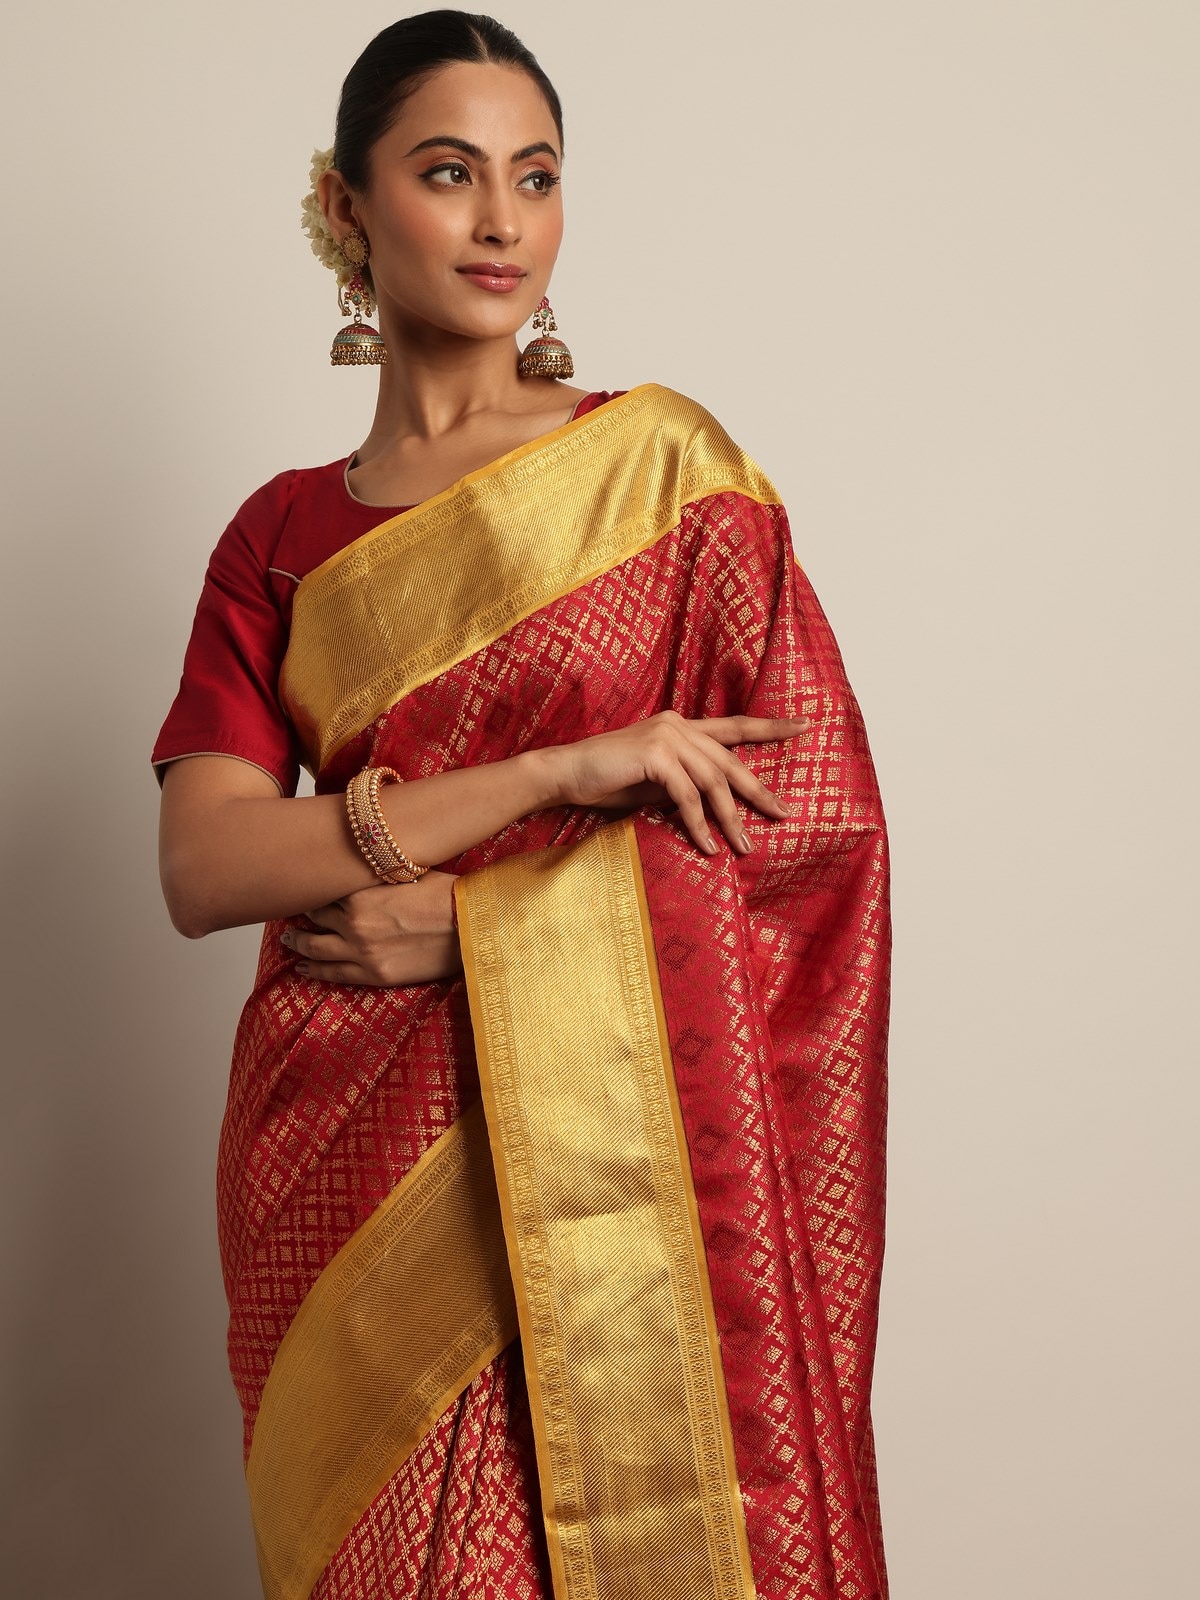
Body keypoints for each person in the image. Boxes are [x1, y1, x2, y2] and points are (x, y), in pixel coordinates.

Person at [153, 12, 891, 1599]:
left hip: (608, 1180)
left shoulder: (662, 480)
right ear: (345, 210)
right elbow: (208, 863)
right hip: (332, 1168)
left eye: (536, 177)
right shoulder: (277, 534)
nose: (502, 221)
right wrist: (555, 775)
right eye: (448, 172)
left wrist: (479, 930)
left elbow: (809, 847)